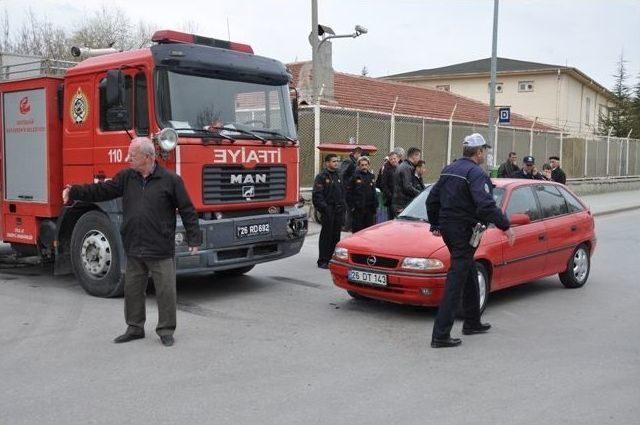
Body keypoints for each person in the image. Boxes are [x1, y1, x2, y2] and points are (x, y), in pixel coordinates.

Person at [62, 137, 201, 347]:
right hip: (134, 245)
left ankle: (166, 329)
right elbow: (102, 190)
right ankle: (134, 328)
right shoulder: (127, 177)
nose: (128, 159)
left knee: (165, 291)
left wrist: (194, 238)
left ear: (147, 157)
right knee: (133, 290)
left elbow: (188, 210)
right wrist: (74, 192)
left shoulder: (170, 180)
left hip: (159, 247)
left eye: (132, 155)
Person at [426, 133, 515, 348]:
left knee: (467, 270)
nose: (486, 153)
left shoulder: (449, 169)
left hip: (450, 228)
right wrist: (505, 225)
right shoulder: (476, 173)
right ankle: (440, 335)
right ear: (479, 152)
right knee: (457, 277)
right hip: (463, 230)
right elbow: (485, 205)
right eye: (485, 150)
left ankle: (472, 322)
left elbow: (432, 199)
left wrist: (436, 224)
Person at [312, 153, 346, 269]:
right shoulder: (322, 176)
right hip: (328, 209)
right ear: (327, 163)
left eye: (337, 161)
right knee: (326, 235)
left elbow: (342, 193)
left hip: (338, 210)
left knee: (336, 235)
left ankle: (333, 258)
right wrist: (325, 209)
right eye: (333, 161)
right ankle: (323, 260)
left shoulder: (338, 175)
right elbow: (317, 195)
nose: (336, 163)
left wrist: (343, 207)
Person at [346, 156, 377, 233]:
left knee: (368, 232)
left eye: (366, 165)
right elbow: (348, 193)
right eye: (362, 165)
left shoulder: (371, 176)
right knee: (358, 232)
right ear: (359, 166)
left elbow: (373, 191)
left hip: (369, 209)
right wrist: (352, 207)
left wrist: (375, 205)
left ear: (368, 165)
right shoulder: (354, 177)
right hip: (358, 210)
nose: (364, 167)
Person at [392, 147, 422, 214]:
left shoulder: (405, 166)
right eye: (419, 156)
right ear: (414, 156)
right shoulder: (407, 168)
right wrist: (420, 194)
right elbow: (407, 186)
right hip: (403, 206)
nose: (419, 159)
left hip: (401, 205)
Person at [379, 151, 401, 219]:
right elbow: (384, 185)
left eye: (394, 158)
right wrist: (391, 196)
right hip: (392, 200)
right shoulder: (386, 169)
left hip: (401, 198)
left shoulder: (401, 168)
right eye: (391, 159)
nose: (393, 160)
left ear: (398, 158)